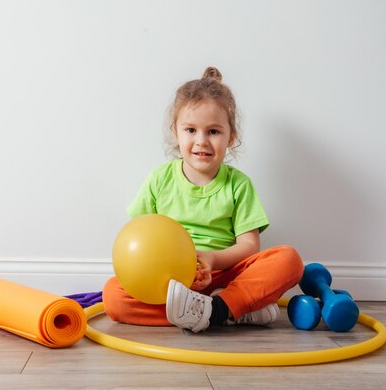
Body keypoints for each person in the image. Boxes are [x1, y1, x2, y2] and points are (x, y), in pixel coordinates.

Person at [102, 67, 304, 333]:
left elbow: (249, 246)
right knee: (114, 296)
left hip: (226, 274)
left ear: (231, 136)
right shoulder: (159, 179)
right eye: (191, 130)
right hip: (172, 282)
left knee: (289, 259)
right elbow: (140, 238)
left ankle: (221, 306)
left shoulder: (238, 184)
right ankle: (226, 311)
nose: (201, 141)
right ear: (176, 132)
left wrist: (212, 259)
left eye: (213, 131)